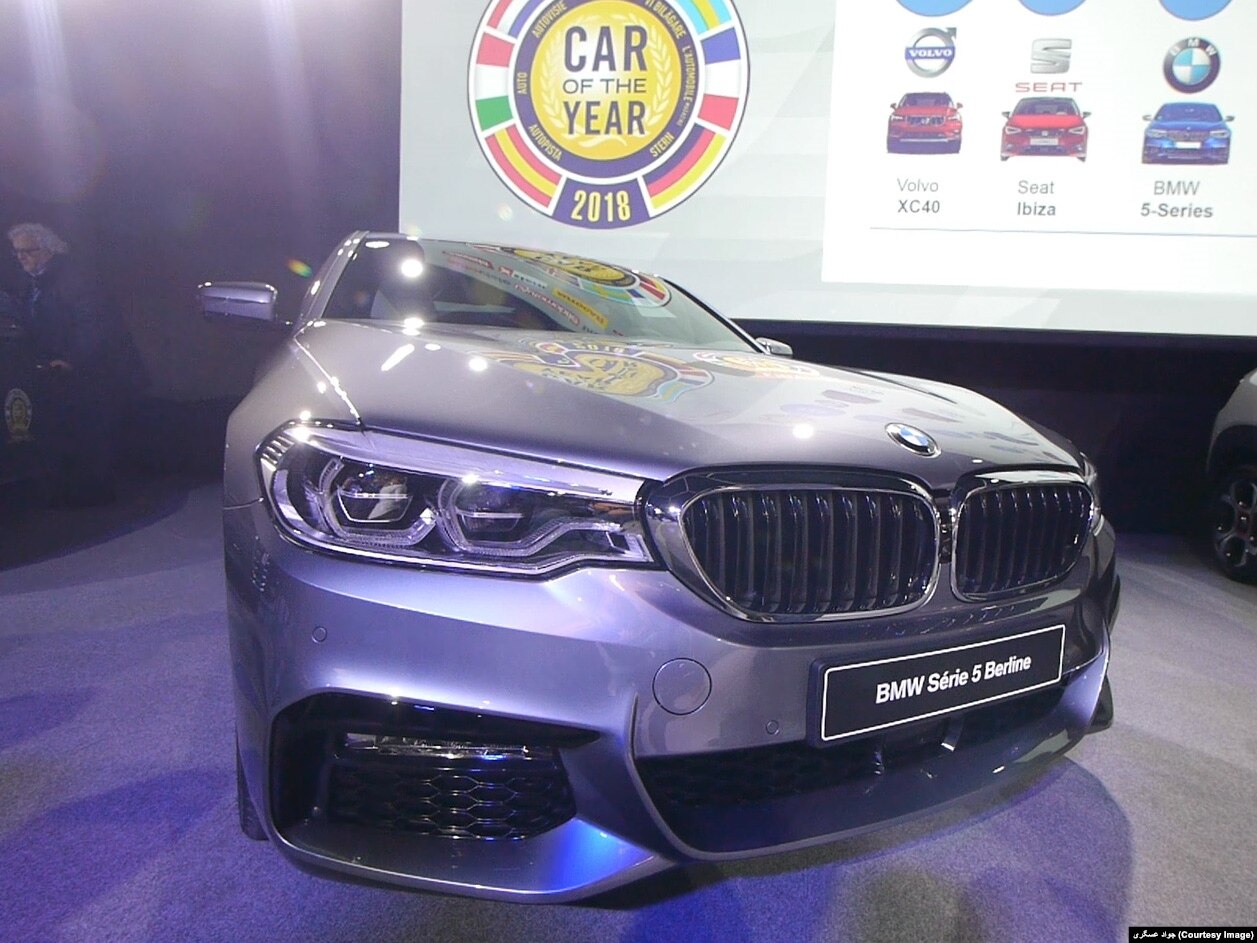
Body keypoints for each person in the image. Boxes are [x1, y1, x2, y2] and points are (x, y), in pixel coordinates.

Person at [7, 222, 123, 505]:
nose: (22, 257)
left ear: (49, 250)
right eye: (17, 252)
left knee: (89, 436)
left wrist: (71, 360)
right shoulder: (30, 283)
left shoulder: (74, 280)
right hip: (52, 373)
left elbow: (93, 325)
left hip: (86, 372)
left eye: (28, 250)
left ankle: (94, 497)